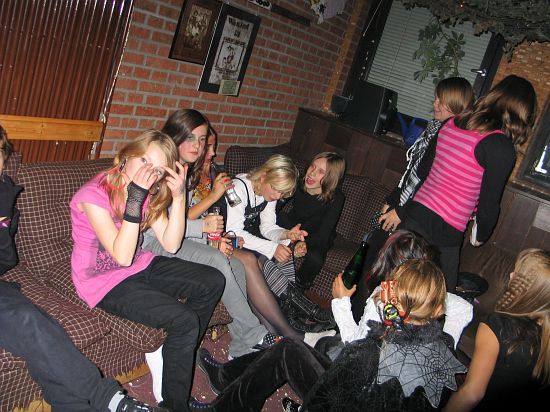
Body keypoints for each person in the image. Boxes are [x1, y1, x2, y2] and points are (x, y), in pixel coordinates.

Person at [0, 126, 165, 412]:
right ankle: (109, 399)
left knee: (38, 324)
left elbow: (6, 261)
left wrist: (2, 223)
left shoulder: (3, 191)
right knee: (28, 321)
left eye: (0, 155)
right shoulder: (94, 192)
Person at [70, 129, 225, 412]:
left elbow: (171, 243)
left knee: (213, 279)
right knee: (185, 320)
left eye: (156, 170)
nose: (147, 172)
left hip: (139, 264)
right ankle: (174, 405)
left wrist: (179, 197)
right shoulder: (94, 194)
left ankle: (177, 350)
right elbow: (121, 256)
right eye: (143, 161)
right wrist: (136, 197)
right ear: (127, 155)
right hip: (103, 281)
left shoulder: (149, 191)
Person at [191, 259, 467, 411]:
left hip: (343, 403)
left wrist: (340, 302)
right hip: (362, 395)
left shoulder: (370, 349)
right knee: (291, 346)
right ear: (438, 309)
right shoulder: (447, 354)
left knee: (288, 351)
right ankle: (224, 377)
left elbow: (322, 403)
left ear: (392, 296)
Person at [142, 109, 283, 360]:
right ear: (175, 136)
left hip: (179, 238)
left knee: (236, 265)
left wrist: (212, 239)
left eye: (201, 139)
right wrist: (205, 232)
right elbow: (161, 226)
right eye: (191, 138)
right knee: (217, 259)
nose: (198, 146)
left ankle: (240, 347)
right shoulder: (161, 170)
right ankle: (254, 334)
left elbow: (183, 222)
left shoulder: (185, 170)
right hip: (153, 243)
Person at [389, 75, 537, 292]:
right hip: (444, 230)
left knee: (390, 289)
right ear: (523, 112)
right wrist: (481, 233)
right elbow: (489, 203)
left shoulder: (452, 122)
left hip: (414, 216)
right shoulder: (500, 146)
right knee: (438, 300)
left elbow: (425, 172)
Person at [352, 77, 475, 316]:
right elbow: (413, 173)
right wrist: (392, 199)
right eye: (436, 97)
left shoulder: (455, 136)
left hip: (417, 217)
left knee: (389, 276)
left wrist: (401, 211)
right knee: (372, 260)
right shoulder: (434, 127)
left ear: (456, 103)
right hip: (405, 206)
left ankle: (369, 322)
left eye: (441, 100)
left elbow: (433, 183)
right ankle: (354, 317)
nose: (435, 103)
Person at [445, 248, 550, 411]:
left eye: (518, 275)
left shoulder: (497, 325)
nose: (511, 275)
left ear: (530, 292)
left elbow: (472, 394)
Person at [332, 230, 473, 349]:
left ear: (385, 264)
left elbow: (356, 347)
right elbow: (464, 308)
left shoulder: (383, 297)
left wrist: (341, 302)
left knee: (326, 345)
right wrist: (446, 346)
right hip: (417, 365)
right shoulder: (430, 293)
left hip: (379, 368)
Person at [277, 152, 346, 291]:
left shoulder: (337, 198)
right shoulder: (298, 183)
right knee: (272, 218)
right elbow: (276, 206)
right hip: (293, 226)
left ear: (331, 178)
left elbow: (324, 233)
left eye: (320, 172)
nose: (312, 173)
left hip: (315, 235)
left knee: (316, 259)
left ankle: (296, 290)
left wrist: (304, 243)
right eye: (312, 166)